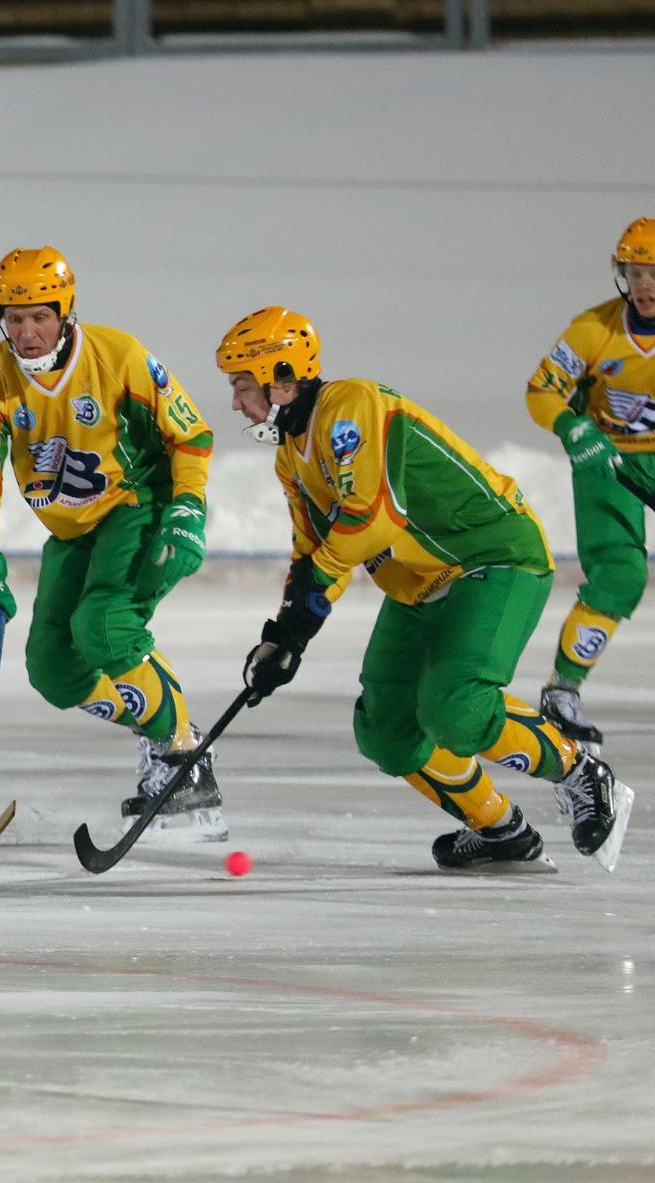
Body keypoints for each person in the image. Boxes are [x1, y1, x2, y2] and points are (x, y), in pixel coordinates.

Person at [221, 306, 634, 871]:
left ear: (282, 378)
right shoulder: (293, 457)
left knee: (456, 708)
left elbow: (371, 521)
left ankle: (579, 771)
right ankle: (500, 830)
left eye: (244, 385)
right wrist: (287, 634)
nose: (237, 401)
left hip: (493, 557)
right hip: (421, 583)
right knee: (386, 732)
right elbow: (314, 556)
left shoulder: (352, 407)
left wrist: (311, 593)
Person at [0, 247, 224, 839]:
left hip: (136, 505)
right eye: (13, 318)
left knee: (103, 628)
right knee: (53, 670)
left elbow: (192, 433)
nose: (26, 333)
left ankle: (183, 753)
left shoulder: (117, 357)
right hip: (71, 532)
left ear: (65, 310)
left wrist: (188, 507)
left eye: (39, 317)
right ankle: (155, 720)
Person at [525, 217, 655, 750]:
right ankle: (563, 690)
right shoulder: (591, 330)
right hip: (609, 459)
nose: (646, 284)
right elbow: (542, 390)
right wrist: (573, 426)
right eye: (636, 272)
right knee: (620, 576)